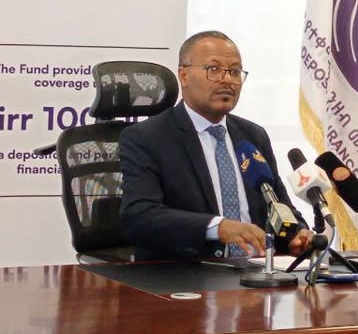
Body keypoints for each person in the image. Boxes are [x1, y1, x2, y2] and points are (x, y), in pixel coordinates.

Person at [119, 30, 311, 260]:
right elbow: (139, 216)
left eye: (235, 71)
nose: (227, 80)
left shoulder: (253, 136)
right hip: (187, 272)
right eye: (214, 69)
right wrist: (217, 227)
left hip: (257, 271)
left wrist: (297, 234)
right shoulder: (147, 138)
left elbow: (279, 205)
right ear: (184, 75)